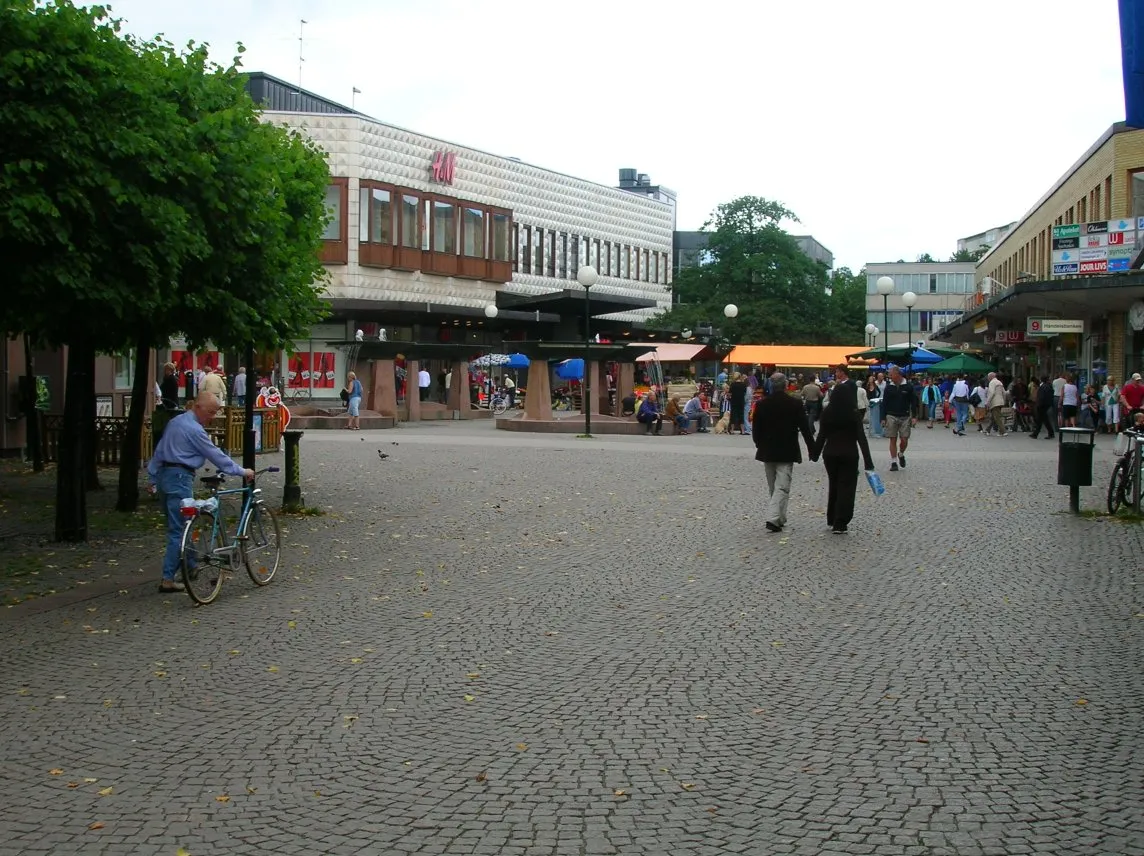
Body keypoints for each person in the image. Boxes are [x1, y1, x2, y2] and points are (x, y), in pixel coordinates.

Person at [147, 393, 254, 593]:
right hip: (180, 479)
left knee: (181, 524)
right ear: (198, 407)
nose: (212, 416)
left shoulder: (176, 422)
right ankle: (168, 578)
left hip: (164, 478)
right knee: (178, 530)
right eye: (210, 412)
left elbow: (159, 450)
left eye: (215, 412)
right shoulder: (194, 430)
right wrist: (241, 471)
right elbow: (214, 454)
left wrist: (152, 477)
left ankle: (192, 566)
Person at [752, 372, 815, 533]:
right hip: (787, 450)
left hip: (767, 450)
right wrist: (812, 448)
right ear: (785, 385)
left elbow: (756, 430)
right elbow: (805, 428)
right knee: (782, 486)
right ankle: (774, 518)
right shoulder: (794, 404)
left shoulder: (762, 404)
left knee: (774, 486)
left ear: (771, 386)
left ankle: (779, 516)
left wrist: (759, 444)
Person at [810, 377, 875, 534]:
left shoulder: (827, 412)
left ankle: (832, 516)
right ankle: (841, 521)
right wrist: (868, 461)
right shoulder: (853, 413)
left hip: (830, 453)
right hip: (849, 454)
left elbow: (821, 435)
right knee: (846, 487)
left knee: (834, 485)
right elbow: (861, 437)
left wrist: (815, 453)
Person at [880, 366, 917, 471]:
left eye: (891, 374)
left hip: (904, 415)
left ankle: (901, 453)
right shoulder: (889, 387)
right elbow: (884, 403)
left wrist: (914, 416)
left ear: (898, 374)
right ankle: (893, 462)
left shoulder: (908, 386)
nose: (890, 376)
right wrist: (883, 417)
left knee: (904, 439)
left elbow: (913, 402)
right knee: (892, 439)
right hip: (891, 415)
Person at [985, 371, 1008, 436]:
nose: (988, 378)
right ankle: (988, 430)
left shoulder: (992, 383)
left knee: (997, 417)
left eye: (988, 377)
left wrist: (987, 402)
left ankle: (1003, 431)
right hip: (1000, 401)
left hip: (995, 402)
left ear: (991, 377)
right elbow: (1004, 393)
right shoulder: (999, 382)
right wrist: (1004, 401)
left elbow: (992, 393)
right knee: (993, 417)